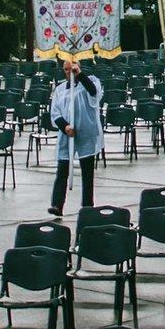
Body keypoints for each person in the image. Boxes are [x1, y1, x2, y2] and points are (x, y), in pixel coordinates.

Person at [49, 58, 102, 215]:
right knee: (62, 169)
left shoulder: (90, 81)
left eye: (71, 69)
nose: (68, 72)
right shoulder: (60, 89)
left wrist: (79, 75)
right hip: (68, 132)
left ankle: (87, 205)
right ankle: (57, 204)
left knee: (87, 171)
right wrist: (65, 126)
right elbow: (55, 112)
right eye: (66, 69)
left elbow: (94, 93)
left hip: (86, 131)